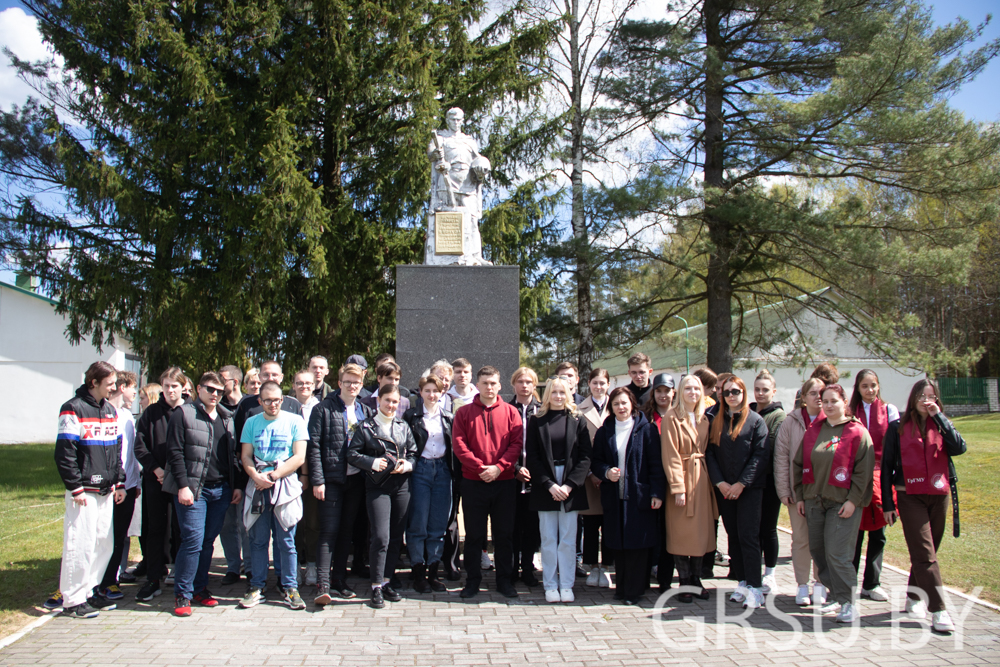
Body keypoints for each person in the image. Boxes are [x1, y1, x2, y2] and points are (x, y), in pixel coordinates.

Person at [881, 378, 967, 633]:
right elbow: (886, 468)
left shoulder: (940, 424)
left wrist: (939, 417)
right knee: (925, 553)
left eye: (930, 396)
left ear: (937, 400)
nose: (925, 400)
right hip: (910, 496)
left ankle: (913, 595)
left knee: (926, 554)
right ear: (913, 397)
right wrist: (888, 504)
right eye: (921, 395)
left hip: (939, 494)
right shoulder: (897, 427)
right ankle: (939, 610)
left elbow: (959, 448)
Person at [162, 372, 244, 617]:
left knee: (208, 541)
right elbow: (175, 452)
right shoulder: (184, 413)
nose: (215, 394)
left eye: (220, 391)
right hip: (193, 489)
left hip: (221, 490)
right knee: (192, 540)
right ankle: (182, 594)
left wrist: (237, 485)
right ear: (198, 389)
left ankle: (200, 589)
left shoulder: (226, 417)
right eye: (210, 389)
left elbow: (233, 457)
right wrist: (183, 486)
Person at [793, 383, 874, 624]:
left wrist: (853, 501)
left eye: (833, 401)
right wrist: (800, 496)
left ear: (845, 403)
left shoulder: (857, 432)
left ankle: (849, 602)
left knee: (838, 553)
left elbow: (863, 472)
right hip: (814, 501)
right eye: (824, 401)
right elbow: (798, 464)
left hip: (842, 504)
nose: (828, 405)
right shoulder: (813, 430)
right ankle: (837, 595)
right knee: (819, 552)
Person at [55, 361, 126, 618]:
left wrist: (119, 482)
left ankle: (89, 591)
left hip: (106, 489)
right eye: (109, 384)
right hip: (83, 491)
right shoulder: (72, 409)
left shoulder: (109, 410)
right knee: (79, 543)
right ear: (93, 382)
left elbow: (116, 450)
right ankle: (72, 599)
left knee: (102, 543)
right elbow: (65, 453)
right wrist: (74, 488)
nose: (114, 388)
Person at [452, 366, 523, 599]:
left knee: (504, 534)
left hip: (504, 483)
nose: (489, 387)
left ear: (500, 385)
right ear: (478, 385)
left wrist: (498, 467)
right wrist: (480, 468)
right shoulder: (463, 413)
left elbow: (516, 444)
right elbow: (459, 445)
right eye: (485, 383)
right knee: (474, 535)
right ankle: (472, 581)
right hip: (474, 483)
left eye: (493, 383)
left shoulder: (512, 412)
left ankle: (504, 580)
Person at [307, 362, 374, 605]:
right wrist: (318, 480)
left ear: (361, 384)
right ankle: (322, 585)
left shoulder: (365, 411)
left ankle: (339, 580)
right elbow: (313, 447)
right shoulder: (323, 409)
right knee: (329, 531)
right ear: (339, 383)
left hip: (356, 480)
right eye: (348, 382)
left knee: (347, 532)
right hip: (331, 480)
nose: (352, 386)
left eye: (356, 382)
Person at [590, 387, 665, 605]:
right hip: (615, 496)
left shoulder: (647, 429)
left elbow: (655, 465)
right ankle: (621, 589)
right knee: (618, 544)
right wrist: (606, 472)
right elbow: (596, 461)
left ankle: (635, 591)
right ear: (611, 408)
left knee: (638, 545)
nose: (621, 407)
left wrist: (657, 493)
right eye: (616, 404)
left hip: (639, 496)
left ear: (632, 403)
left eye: (624, 403)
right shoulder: (605, 431)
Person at [239, 381, 308, 610]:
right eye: (267, 400)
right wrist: (255, 475)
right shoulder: (251, 422)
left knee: (286, 541)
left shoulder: (295, 421)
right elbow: (246, 455)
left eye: (277, 399)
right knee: (258, 540)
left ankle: (290, 587)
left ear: (282, 399)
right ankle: (257, 586)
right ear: (260, 401)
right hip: (258, 484)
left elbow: (299, 457)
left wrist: (274, 475)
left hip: (284, 484)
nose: (273, 404)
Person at [348, 385, 418, 608]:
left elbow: (414, 453)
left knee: (396, 537)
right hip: (377, 487)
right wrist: (372, 462)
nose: (391, 405)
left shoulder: (403, 426)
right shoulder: (366, 426)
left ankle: (387, 580)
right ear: (379, 401)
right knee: (380, 537)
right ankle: (375, 585)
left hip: (401, 487)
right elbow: (352, 454)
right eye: (387, 400)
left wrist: (406, 465)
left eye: (395, 402)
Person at [525, 377, 592, 603]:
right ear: (547, 395)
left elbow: (585, 457)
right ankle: (551, 584)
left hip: (570, 483)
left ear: (569, 394)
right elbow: (532, 457)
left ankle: (567, 584)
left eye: (562, 392)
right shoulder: (537, 420)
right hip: (547, 483)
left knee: (567, 538)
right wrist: (550, 484)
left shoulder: (577, 419)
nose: (558, 397)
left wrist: (569, 485)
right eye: (554, 392)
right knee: (548, 538)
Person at [705, 376, 770, 610]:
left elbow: (760, 455)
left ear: (744, 393)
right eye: (727, 392)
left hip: (749, 490)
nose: (732, 396)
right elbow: (710, 453)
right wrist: (720, 483)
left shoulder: (756, 421)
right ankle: (742, 581)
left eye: (736, 391)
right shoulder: (716, 420)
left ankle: (755, 586)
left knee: (749, 537)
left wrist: (741, 484)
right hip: (724, 489)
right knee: (733, 535)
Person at [133, 367, 189, 602]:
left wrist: (178, 475)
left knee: (182, 529)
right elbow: (140, 446)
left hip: (183, 482)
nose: (170, 390)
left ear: (183, 387)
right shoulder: (150, 413)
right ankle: (154, 577)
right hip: (155, 479)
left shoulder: (191, 412)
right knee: (155, 528)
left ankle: (184, 575)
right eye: (166, 386)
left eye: (174, 386)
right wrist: (156, 469)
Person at [661, 374, 716, 602]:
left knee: (700, 532)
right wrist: (677, 487)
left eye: (696, 388)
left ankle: (696, 578)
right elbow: (671, 454)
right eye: (688, 388)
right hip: (683, 477)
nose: (693, 392)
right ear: (680, 392)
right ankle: (683, 580)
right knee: (682, 532)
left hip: (702, 480)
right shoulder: (672, 417)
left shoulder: (704, 417)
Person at [849, 369, 900, 603]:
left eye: (874, 385)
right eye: (865, 386)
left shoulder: (889, 411)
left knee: (878, 532)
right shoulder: (850, 412)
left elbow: (894, 448)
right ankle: (848, 582)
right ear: (857, 389)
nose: (870, 390)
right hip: (855, 477)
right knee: (854, 533)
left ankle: (872, 583)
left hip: (882, 476)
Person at [774, 377, 825, 605]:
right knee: (801, 540)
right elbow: (781, 458)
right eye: (812, 393)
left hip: (825, 493)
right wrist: (784, 490)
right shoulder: (791, 422)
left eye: (821, 393)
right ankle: (802, 585)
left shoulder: (832, 421)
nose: (818, 397)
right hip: (799, 493)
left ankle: (821, 583)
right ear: (803, 397)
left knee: (823, 541)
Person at [403, 375, 455, 593]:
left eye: (436, 391)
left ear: (442, 393)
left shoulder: (449, 417)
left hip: (443, 471)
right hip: (420, 470)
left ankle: (433, 573)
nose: (432, 395)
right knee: (418, 524)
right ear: (420, 392)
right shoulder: (411, 416)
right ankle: (418, 573)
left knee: (437, 525)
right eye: (428, 390)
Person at [426, 107, 492, 266]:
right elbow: (431, 154)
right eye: (452, 120)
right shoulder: (441, 138)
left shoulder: (469, 141)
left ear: (462, 121)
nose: (456, 123)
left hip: (467, 184)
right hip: (446, 181)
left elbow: (479, 161)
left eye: (458, 120)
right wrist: (436, 154)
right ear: (447, 120)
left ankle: (475, 256)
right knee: (445, 218)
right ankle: (444, 258)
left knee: (472, 221)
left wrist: (483, 166)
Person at [98, 371, 140, 601]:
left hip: (129, 486)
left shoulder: (127, 415)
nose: (135, 392)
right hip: (110, 486)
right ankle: (100, 580)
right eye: (133, 387)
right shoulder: (104, 413)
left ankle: (110, 580)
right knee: (104, 535)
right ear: (121, 387)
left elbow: (130, 453)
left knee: (120, 535)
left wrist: (135, 482)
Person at [750, 369, 786, 595]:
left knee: (768, 529)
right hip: (750, 483)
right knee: (752, 530)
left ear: (773, 391)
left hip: (770, 482)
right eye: (757, 389)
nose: (761, 393)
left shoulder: (779, 417)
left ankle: (770, 573)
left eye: (765, 390)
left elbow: (773, 451)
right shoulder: (749, 412)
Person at [642, 373, 676, 592]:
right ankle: (644, 576)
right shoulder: (644, 416)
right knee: (648, 529)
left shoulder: (681, 415)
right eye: (659, 391)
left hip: (673, 480)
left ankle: (665, 578)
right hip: (650, 479)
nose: (663, 395)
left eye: (667, 390)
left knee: (668, 531)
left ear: (674, 392)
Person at [579, 368, 611, 588]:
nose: (599, 387)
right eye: (595, 383)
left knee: (609, 523)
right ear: (588, 384)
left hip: (611, 475)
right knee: (590, 524)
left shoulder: (619, 405)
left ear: (608, 384)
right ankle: (591, 566)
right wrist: (591, 473)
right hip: (589, 476)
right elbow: (579, 446)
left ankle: (607, 567)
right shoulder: (579, 410)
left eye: (602, 383)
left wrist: (607, 472)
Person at [510, 366, 542, 587]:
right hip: (510, 479)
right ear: (514, 384)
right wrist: (514, 468)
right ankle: (511, 569)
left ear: (534, 385)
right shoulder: (505, 409)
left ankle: (528, 567)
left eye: (529, 382)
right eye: (520, 381)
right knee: (511, 526)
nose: (524, 385)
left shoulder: (542, 411)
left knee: (532, 527)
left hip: (535, 479)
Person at [218, 365, 248, 585]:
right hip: (225, 475)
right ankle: (232, 566)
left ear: (235, 382)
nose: (218, 385)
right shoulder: (215, 407)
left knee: (246, 524)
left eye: (222, 380)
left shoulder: (249, 405)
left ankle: (250, 564)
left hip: (247, 474)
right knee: (228, 524)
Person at [291, 369, 321, 586]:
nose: (304, 386)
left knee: (311, 521)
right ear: (293, 385)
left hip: (313, 472)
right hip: (289, 472)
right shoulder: (285, 406)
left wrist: (310, 474)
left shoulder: (321, 407)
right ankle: (293, 567)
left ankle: (311, 563)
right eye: (299, 383)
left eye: (308, 383)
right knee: (292, 522)